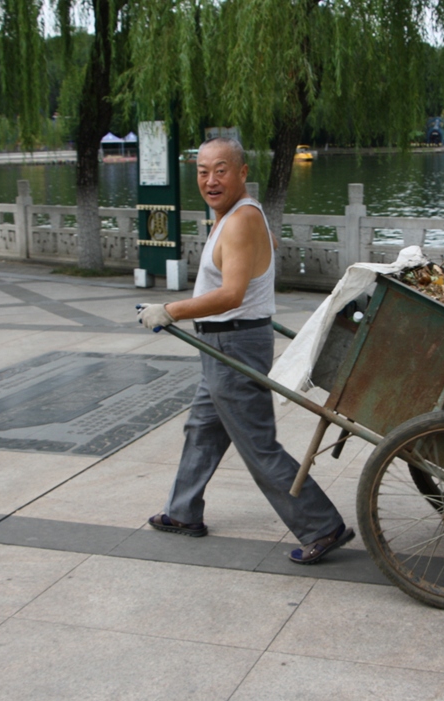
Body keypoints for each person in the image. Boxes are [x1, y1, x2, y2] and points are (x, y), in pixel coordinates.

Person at [137, 137, 354, 565]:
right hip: (225, 340)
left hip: (232, 342)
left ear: (241, 172)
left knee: (257, 444)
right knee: (202, 428)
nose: (210, 180)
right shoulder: (241, 214)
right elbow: (263, 251)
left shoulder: (238, 221)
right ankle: (183, 513)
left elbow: (232, 293)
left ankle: (321, 525)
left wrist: (170, 310)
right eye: (202, 171)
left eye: (221, 170)